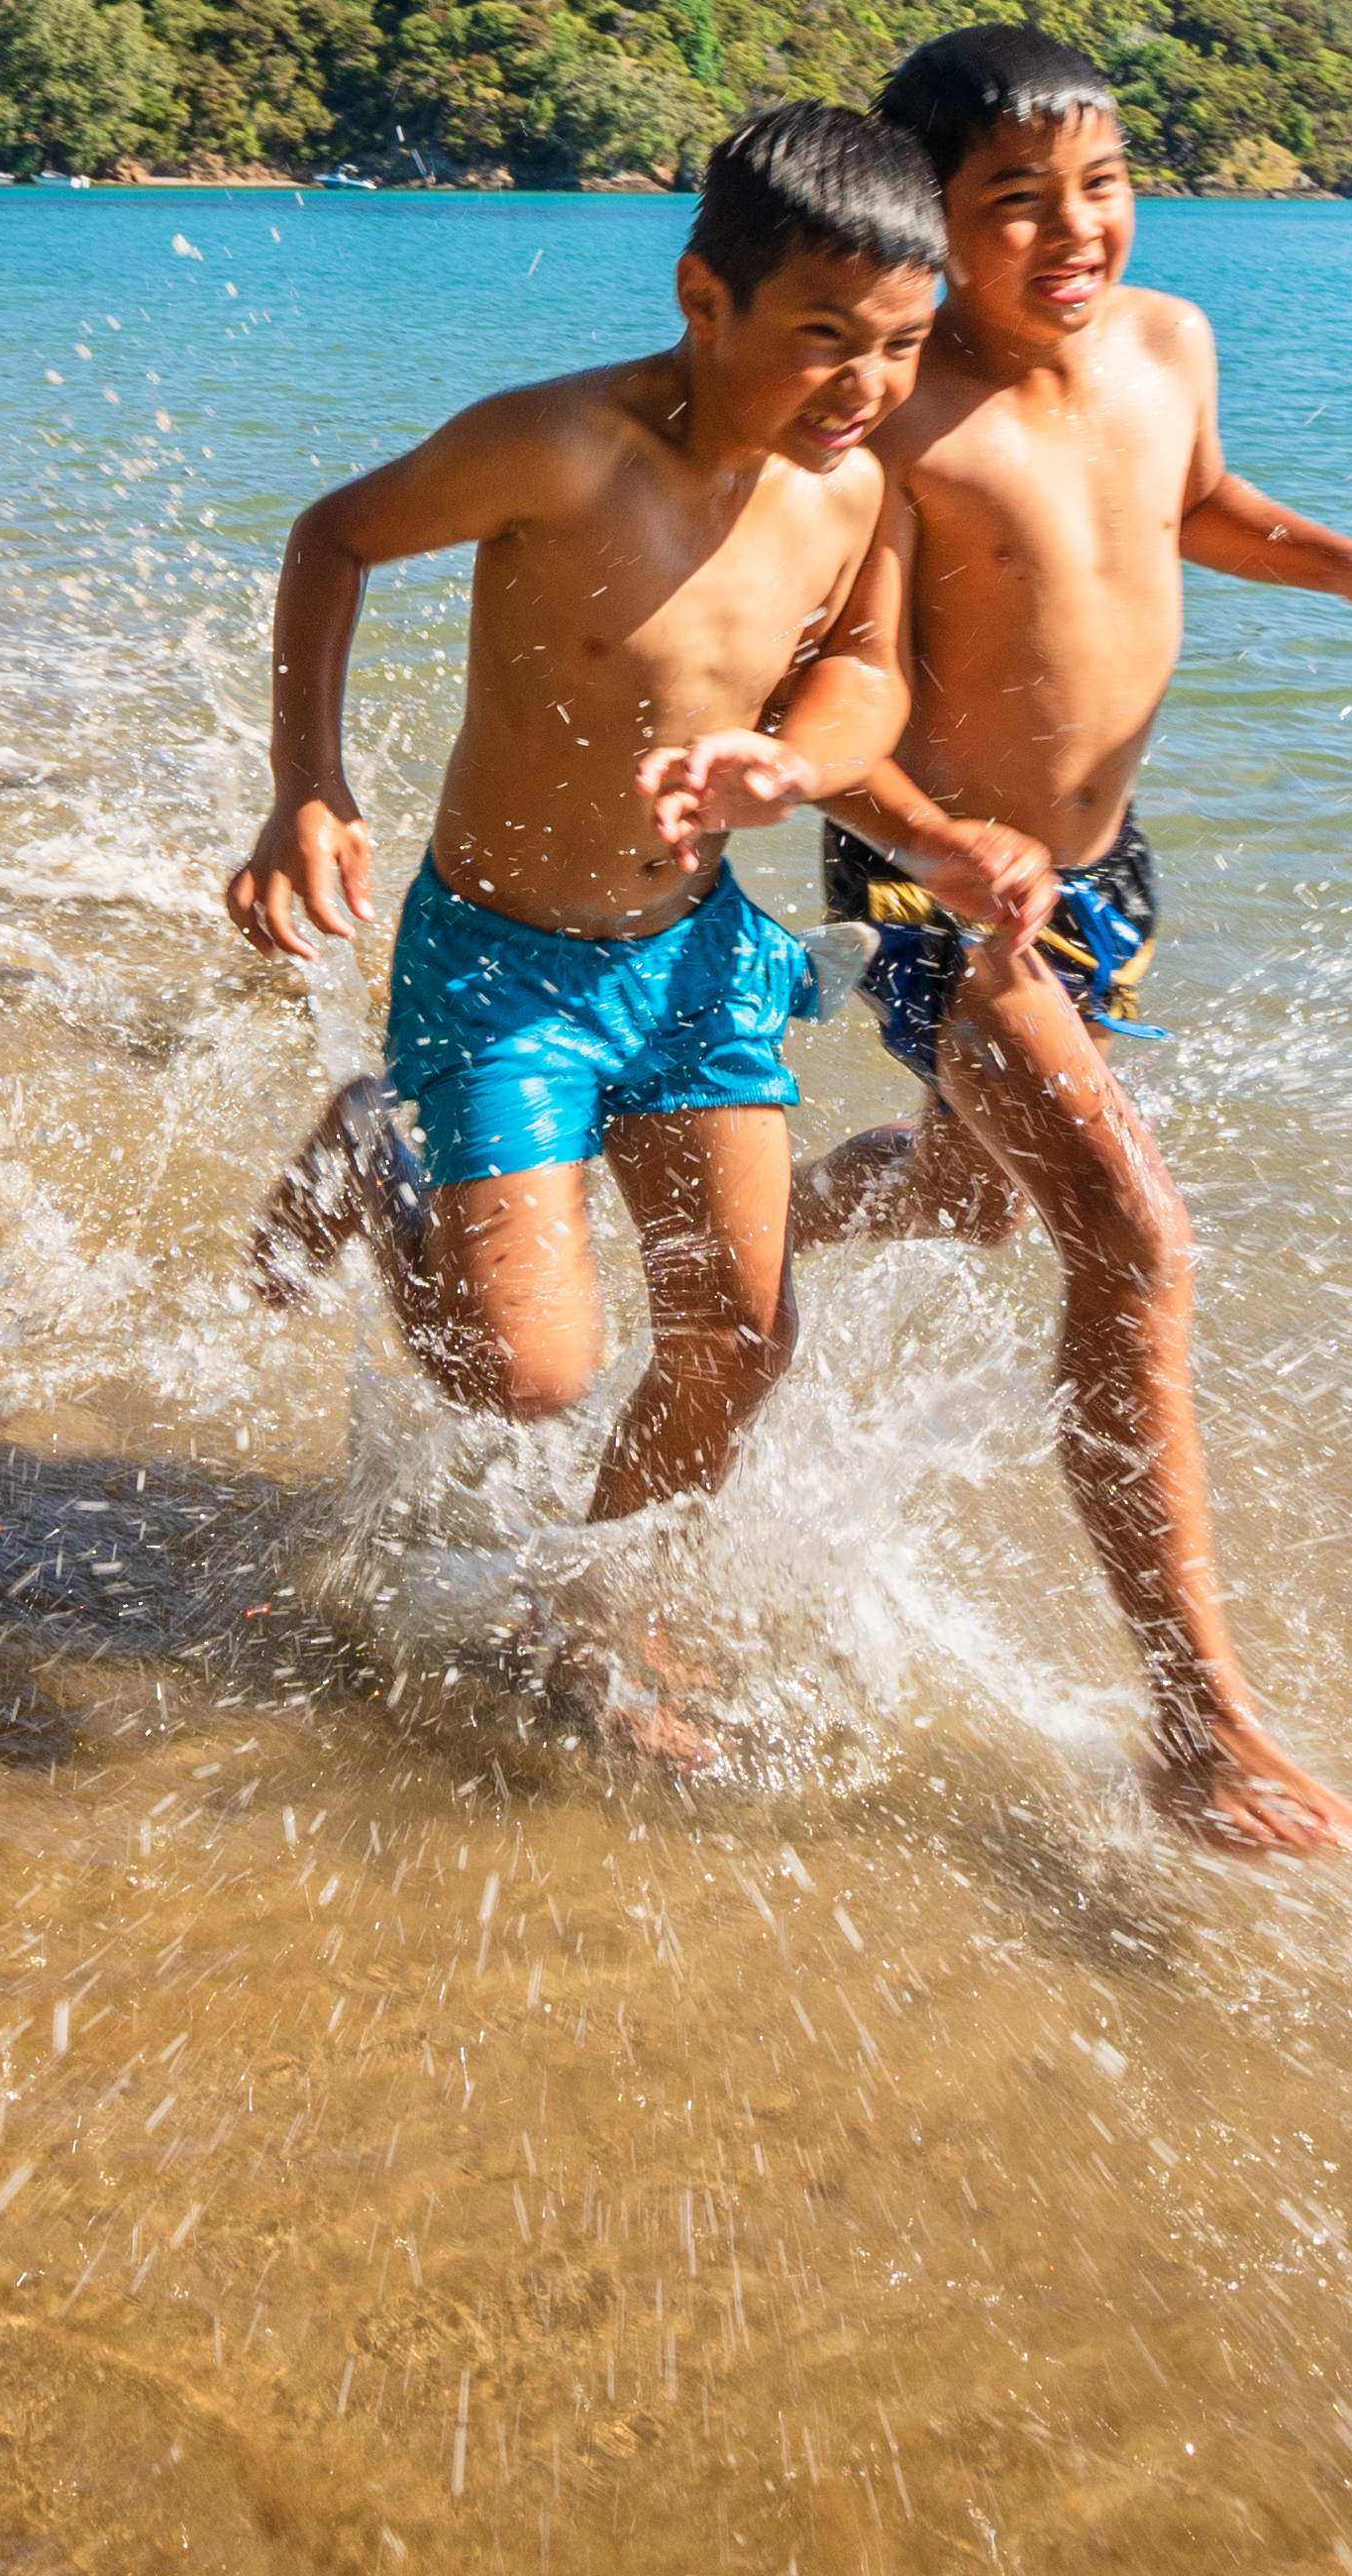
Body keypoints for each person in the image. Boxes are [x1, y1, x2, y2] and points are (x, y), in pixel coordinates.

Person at [783, 25, 1352, 1860]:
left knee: (963, 1199)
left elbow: (1195, 508)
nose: (1074, 231)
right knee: (1133, 1239)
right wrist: (939, 849)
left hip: (1108, 879)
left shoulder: (1171, 341)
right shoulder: (900, 416)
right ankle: (1201, 1725)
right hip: (944, 895)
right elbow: (835, 706)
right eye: (1014, 206)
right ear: (931, 226)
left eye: (1099, 186)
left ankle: (711, 1202)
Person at [227, 107, 983, 1754]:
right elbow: (333, 536)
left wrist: (798, 758)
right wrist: (308, 788)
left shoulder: (852, 491)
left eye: (905, 348)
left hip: (699, 956)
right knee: (533, 1374)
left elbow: (867, 671)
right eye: (823, 342)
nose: (864, 388)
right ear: (704, 301)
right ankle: (378, 1163)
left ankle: (597, 1620)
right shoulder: (561, 444)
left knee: (738, 1340)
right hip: (503, 963)